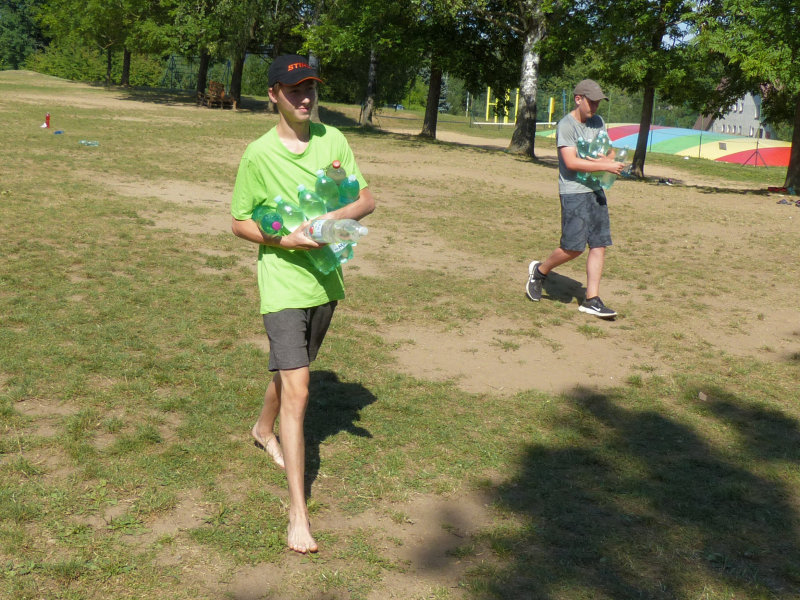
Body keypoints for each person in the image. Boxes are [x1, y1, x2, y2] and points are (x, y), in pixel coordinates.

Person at [230, 54, 375, 554]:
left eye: (310, 88)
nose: (305, 98)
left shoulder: (333, 140)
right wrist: (284, 240)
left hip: (325, 281)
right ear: (274, 94)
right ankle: (298, 513)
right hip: (282, 284)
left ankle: (261, 428)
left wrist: (331, 220)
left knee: (294, 371)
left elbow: (367, 200)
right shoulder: (257, 154)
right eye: (294, 90)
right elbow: (239, 222)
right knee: (300, 390)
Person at [525, 79, 625, 318]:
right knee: (573, 247)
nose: (595, 107)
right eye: (592, 102)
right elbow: (570, 162)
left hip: (596, 190)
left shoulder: (598, 122)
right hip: (574, 192)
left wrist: (608, 158)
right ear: (578, 99)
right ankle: (540, 272)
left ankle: (592, 299)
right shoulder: (566, 125)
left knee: (599, 244)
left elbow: (609, 150)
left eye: (598, 102)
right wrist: (604, 165)